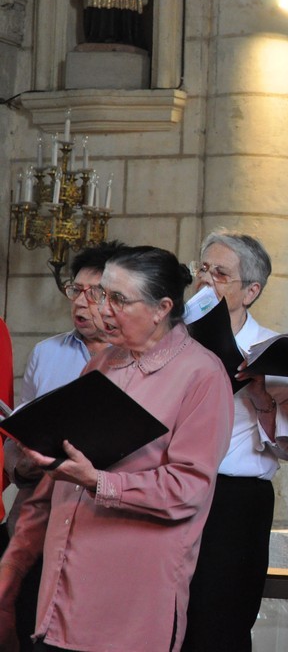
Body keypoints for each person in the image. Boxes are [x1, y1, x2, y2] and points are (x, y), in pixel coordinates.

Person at [0, 246, 234, 651]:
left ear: (162, 308)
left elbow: (188, 489)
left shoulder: (202, 375)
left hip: (128, 607)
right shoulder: (102, 363)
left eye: (118, 299)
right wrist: (14, 563)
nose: (102, 310)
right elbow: (58, 476)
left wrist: (99, 482)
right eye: (99, 294)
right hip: (59, 598)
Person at [182, 231, 288, 651]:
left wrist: (262, 398)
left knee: (221, 622)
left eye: (220, 274)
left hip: (235, 500)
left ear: (251, 291)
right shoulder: (170, 338)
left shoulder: (276, 349)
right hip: (172, 486)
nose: (206, 281)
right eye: (202, 269)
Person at [5, 241, 123, 652]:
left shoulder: (132, 358)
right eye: (76, 290)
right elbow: (20, 429)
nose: (82, 303)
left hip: (97, 509)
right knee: (26, 615)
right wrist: (19, 466)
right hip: (37, 501)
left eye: (95, 293)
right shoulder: (47, 352)